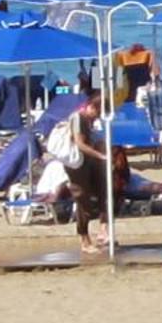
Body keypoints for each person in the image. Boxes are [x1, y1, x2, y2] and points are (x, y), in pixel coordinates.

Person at [69, 88, 111, 256]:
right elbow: (80, 144)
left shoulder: (87, 121)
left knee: (102, 192)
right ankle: (84, 240)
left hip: (87, 163)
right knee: (82, 200)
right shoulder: (78, 118)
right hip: (77, 164)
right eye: (98, 112)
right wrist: (100, 155)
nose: (97, 116)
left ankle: (102, 230)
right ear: (93, 107)